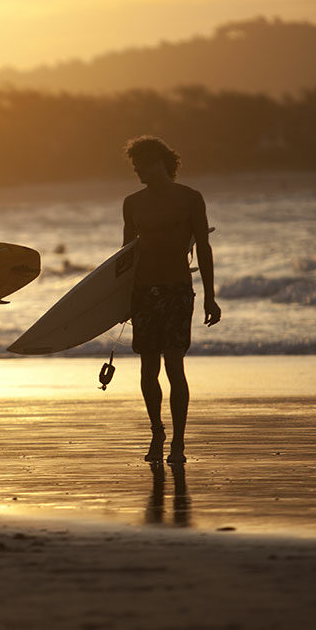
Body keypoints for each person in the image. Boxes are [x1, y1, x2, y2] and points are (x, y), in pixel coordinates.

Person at [122, 137, 221, 465]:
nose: (137, 169)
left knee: (174, 366)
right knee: (148, 369)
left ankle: (178, 442)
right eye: (134, 164)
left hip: (177, 288)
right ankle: (157, 430)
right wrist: (119, 303)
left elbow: (204, 248)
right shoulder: (132, 203)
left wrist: (210, 296)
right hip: (142, 291)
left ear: (160, 163)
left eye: (142, 163)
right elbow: (124, 258)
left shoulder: (190, 199)